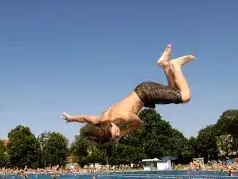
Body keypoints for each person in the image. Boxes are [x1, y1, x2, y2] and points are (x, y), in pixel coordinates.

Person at [61, 44, 195, 142]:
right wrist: (71, 118)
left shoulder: (123, 117)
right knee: (173, 90)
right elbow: (84, 118)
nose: (117, 135)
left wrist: (124, 132)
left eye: (115, 134)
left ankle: (176, 65)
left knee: (185, 96)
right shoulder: (100, 120)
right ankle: (164, 65)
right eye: (116, 136)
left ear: (109, 128)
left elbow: (139, 124)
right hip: (144, 94)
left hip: (147, 93)